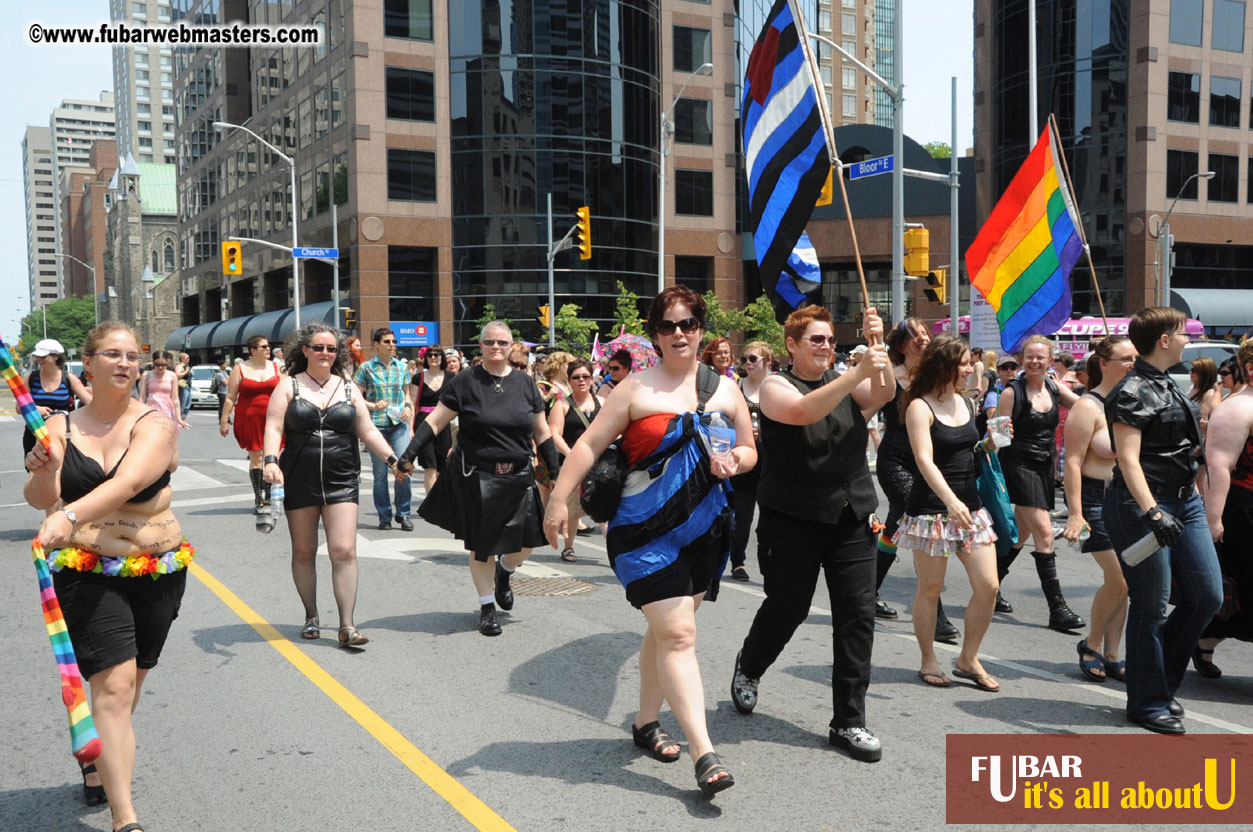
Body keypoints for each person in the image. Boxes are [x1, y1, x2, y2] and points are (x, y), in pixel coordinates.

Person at [542, 287, 754, 795]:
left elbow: (749, 449)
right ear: (655, 334)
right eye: (667, 326)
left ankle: (644, 723)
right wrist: (557, 502)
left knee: (666, 634)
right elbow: (590, 444)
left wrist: (736, 462)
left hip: (704, 530)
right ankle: (705, 754)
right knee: (679, 635)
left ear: (702, 329)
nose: (678, 334)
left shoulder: (725, 389)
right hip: (642, 533)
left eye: (687, 324)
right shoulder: (634, 389)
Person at [24, 323, 187, 832]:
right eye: (112, 355)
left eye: (132, 356)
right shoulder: (56, 427)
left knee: (130, 686)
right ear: (87, 364)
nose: (125, 364)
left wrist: (68, 515)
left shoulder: (156, 424)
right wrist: (42, 468)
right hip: (85, 571)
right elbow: (38, 497)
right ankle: (126, 818)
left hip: (157, 571)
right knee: (114, 690)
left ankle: (97, 757)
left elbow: (130, 481)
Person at [728, 305, 892, 763]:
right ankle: (750, 665)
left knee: (857, 616)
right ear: (792, 347)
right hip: (793, 520)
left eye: (830, 339)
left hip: (851, 517)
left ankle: (849, 721)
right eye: (816, 340)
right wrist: (855, 370)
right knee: (788, 607)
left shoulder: (845, 381)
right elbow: (802, 412)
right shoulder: (776, 387)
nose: (826, 347)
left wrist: (877, 346)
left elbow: (883, 392)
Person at [398, 320, 563, 636]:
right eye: (490, 343)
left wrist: (555, 474)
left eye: (502, 343)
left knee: (529, 541)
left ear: (511, 345)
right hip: (479, 476)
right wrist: (407, 456)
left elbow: (542, 433)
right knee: (482, 547)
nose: (496, 348)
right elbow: (434, 423)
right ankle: (487, 607)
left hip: (519, 476)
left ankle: (505, 570)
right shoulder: (465, 382)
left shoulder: (526, 384)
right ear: (481, 346)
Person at [1103, 307, 1222, 734]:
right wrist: (1153, 511)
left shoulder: (1168, 385)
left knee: (1207, 596)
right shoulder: (1132, 391)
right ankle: (1147, 700)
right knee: (1151, 605)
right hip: (1141, 507)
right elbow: (1128, 460)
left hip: (1184, 503)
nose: (1189, 338)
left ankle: (1158, 684)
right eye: (1183, 332)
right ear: (1165, 341)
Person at [263, 324, 400, 648]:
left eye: (331, 348)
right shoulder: (289, 386)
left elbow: (367, 431)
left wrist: (394, 461)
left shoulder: (349, 388)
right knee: (304, 551)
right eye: (318, 347)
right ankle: (311, 615)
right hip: (299, 476)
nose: (325, 353)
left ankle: (347, 626)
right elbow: (273, 425)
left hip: (341, 478)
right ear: (305, 351)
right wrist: (270, 460)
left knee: (344, 550)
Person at [893, 334, 1002, 693]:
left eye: (970, 362)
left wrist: (989, 443)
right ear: (945, 365)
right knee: (931, 588)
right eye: (964, 363)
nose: (971, 368)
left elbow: (967, 450)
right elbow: (924, 459)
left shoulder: (969, 404)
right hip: (932, 511)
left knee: (988, 585)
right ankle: (928, 659)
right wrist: (950, 501)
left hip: (971, 508)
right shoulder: (918, 407)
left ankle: (968, 658)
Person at [872, 318, 960, 641]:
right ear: (900, 345)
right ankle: (936, 614)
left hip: (929, 465)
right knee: (925, 525)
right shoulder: (889, 379)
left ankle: (868, 590)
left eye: (925, 333)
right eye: (914, 336)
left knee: (895, 527)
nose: (922, 339)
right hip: (896, 463)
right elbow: (864, 412)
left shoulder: (934, 378)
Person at [994, 335, 1084, 632]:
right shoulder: (1011, 393)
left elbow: (1086, 408)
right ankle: (1057, 609)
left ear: (1050, 361)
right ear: (1022, 359)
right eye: (1029, 357)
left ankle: (989, 585)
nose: (1034, 361)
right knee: (1044, 532)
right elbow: (997, 439)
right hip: (1018, 466)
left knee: (1020, 534)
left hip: (1043, 467)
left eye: (1040, 357)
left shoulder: (1055, 388)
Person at [1061, 338, 1136, 683]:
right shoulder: (1088, 407)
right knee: (1118, 578)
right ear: (1104, 363)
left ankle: (1112, 653)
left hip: (1128, 498)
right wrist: (1075, 513)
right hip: (1095, 499)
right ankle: (1090, 645)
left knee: (1125, 583)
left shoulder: (1133, 403)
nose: (1134, 363)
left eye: (1137, 357)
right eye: (1126, 358)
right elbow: (1072, 463)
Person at [1197, 339, 1253, 678]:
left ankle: (1205, 639)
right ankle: (1200, 639)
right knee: (1240, 587)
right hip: (1243, 510)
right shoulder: (1237, 408)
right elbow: (1219, 466)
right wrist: (1213, 520)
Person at [354, 328, 414, 531]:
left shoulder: (402, 368)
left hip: (399, 424)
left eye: (393, 341)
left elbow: (407, 395)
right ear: (377, 345)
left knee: (404, 467)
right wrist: (372, 405)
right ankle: (384, 516)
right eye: (387, 341)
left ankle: (403, 514)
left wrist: (407, 407)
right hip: (376, 425)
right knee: (380, 474)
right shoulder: (365, 368)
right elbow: (356, 398)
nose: (392, 344)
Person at [547, 358, 606, 562]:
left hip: (600, 464)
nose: (581, 381)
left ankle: (614, 553)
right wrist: (572, 454)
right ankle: (569, 547)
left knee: (605, 510)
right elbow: (554, 434)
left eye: (586, 377)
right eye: (576, 377)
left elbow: (614, 431)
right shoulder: (562, 405)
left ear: (592, 379)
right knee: (573, 511)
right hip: (572, 465)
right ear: (569, 380)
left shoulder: (603, 403)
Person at [727, 341, 773, 582]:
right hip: (744, 460)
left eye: (753, 359)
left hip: (770, 462)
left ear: (767, 360)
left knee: (768, 518)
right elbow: (723, 421)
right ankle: (738, 562)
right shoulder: (736, 388)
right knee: (742, 517)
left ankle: (768, 564)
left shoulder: (776, 387)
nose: (747, 364)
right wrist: (739, 433)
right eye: (744, 359)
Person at [219, 335, 282, 511]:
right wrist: (224, 421)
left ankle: (269, 495)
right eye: (264, 347)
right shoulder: (240, 369)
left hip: (273, 418)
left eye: (269, 346)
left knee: (272, 457)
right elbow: (230, 397)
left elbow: (288, 392)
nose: (268, 349)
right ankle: (259, 497)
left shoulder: (277, 367)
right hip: (249, 418)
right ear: (253, 351)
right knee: (257, 457)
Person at [23, 338, 92, 454]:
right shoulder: (31, 378)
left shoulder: (69, 378)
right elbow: (19, 407)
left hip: (63, 434)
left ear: (56, 356)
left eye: (43, 356)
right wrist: (35, 409)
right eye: (37, 356)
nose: (39, 359)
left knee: (62, 469)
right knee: (36, 468)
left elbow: (90, 403)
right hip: (34, 433)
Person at [407, 344, 452, 493]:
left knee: (443, 465)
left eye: (437, 354)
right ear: (425, 358)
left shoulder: (451, 377)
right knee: (429, 466)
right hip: (423, 424)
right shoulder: (418, 378)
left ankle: (442, 502)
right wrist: (410, 429)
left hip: (443, 424)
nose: (433, 357)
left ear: (442, 357)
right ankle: (431, 505)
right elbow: (412, 404)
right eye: (430, 355)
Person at [139, 350, 188, 429]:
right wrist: (140, 414)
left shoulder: (172, 376)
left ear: (167, 362)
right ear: (153, 362)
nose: (160, 367)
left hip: (167, 411)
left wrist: (178, 417)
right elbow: (142, 397)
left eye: (163, 364)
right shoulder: (146, 375)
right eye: (157, 364)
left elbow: (175, 398)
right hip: (151, 411)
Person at [1187, 356, 1222, 437]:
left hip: (1195, 438)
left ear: (1204, 373)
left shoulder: (1209, 394)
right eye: (1190, 369)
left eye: (1194, 370)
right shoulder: (1192, 388)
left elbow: (1203, 423)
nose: (1190, 372)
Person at [210, 357, 230, 421]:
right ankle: (221, 419)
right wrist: (230, 378)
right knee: (222, 407)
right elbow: (226, 383)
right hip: (222, 392)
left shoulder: (225, 372)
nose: (226, 365)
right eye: (225, 364)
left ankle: (227, 419)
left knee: (227, 406)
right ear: (221, 365)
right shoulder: (219, 374)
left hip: (226, 391)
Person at [174, 352, 192, 421]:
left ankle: (183, 419)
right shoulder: (179, 366)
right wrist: (186, 371)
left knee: (188, 405)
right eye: (187, 358)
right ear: (182, 358)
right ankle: (179, 419)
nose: (188, 359)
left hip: (188, 387)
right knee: (183, 404)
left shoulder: (186, 366)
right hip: (183, 387)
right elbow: (177, 375)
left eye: (188, 358)